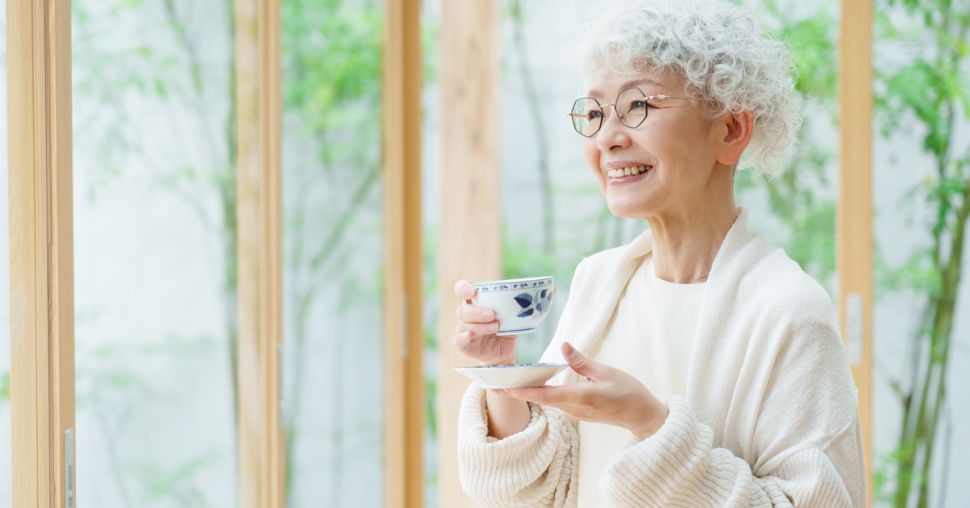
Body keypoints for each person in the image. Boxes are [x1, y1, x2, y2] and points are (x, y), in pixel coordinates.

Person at [451, 1, 865, 506]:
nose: (608, 138)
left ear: (730, 131)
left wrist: (648, 423)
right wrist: (505, 377)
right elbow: (543, 489)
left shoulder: (790, 313)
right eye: (597, 112)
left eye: (639, 106)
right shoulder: (600, 281)